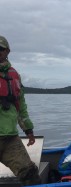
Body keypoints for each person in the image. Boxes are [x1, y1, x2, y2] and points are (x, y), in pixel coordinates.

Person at [0, 35, 41, 185]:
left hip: (10, 139)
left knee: (31, 175)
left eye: (0, 49)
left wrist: (28, 130)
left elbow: (21, 106)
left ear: (7, 51)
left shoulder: (14, 75)